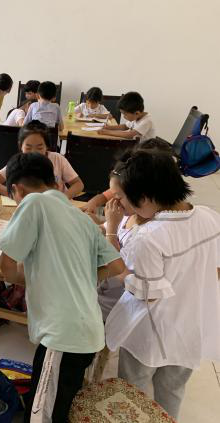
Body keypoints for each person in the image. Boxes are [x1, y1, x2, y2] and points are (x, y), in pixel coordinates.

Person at [0, 153, 125, 423]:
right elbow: (116, 267)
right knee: (56, 402)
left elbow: (7, 263)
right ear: (55, 182)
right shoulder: (81, 217)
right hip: (86, 332)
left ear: (17, 190)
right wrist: (76, 275)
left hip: (63, 336)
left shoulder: (33, 202)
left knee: (43, 413)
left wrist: (25, 278)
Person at [104, 150, 220, 420]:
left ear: (144, 198)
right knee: (172, 388)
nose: (119, 204)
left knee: (135, 391)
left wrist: (111, 232)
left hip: (150, 331)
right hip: (192, 326)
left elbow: (145, 293)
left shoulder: (149, 237)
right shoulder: (209, 216)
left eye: (122, 198)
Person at [0, 121, 84, 199]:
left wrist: (63, 198)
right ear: (20, 146)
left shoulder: (57, 159)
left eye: (39, 148)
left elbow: (78, 184)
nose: (33, 152)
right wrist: (13, 194)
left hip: (55, 206)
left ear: (47, 146)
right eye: (28, 147)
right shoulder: (19, 163)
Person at [81, 138, 174, 214]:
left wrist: (110, 226)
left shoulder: (153, 208)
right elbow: (107, 195)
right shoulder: (131, 182)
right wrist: (93, 203)